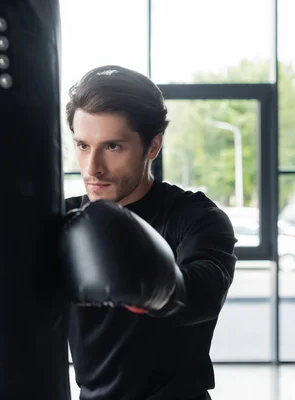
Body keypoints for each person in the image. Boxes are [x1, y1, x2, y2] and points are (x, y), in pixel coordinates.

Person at [62, 65, 238, 400]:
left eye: (112, 147)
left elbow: (205, 292)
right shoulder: (65, 218)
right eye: (83, 146)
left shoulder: (196, 217)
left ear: (153, 146)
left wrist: (152, 285)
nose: (92, 167)